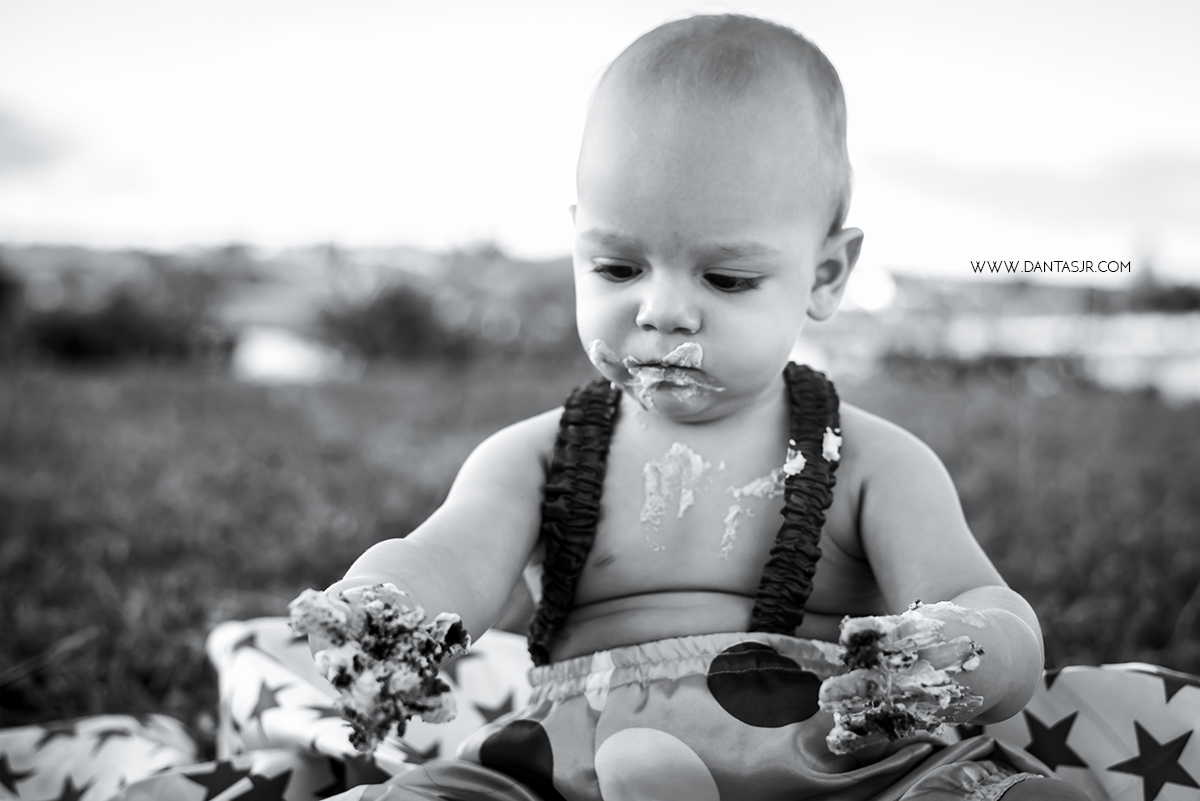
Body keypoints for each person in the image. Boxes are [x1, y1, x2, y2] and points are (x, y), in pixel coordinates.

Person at [318, 14, 1090, 801]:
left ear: (825, 275)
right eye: (618, 266)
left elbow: (985, 609)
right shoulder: (537, 458)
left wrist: (964, 649)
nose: (662, 310)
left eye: (724, 279)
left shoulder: (872, 464)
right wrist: (386, 609)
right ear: (577, 243)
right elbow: (444, 558)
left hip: (831, 773)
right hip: (574, 772)